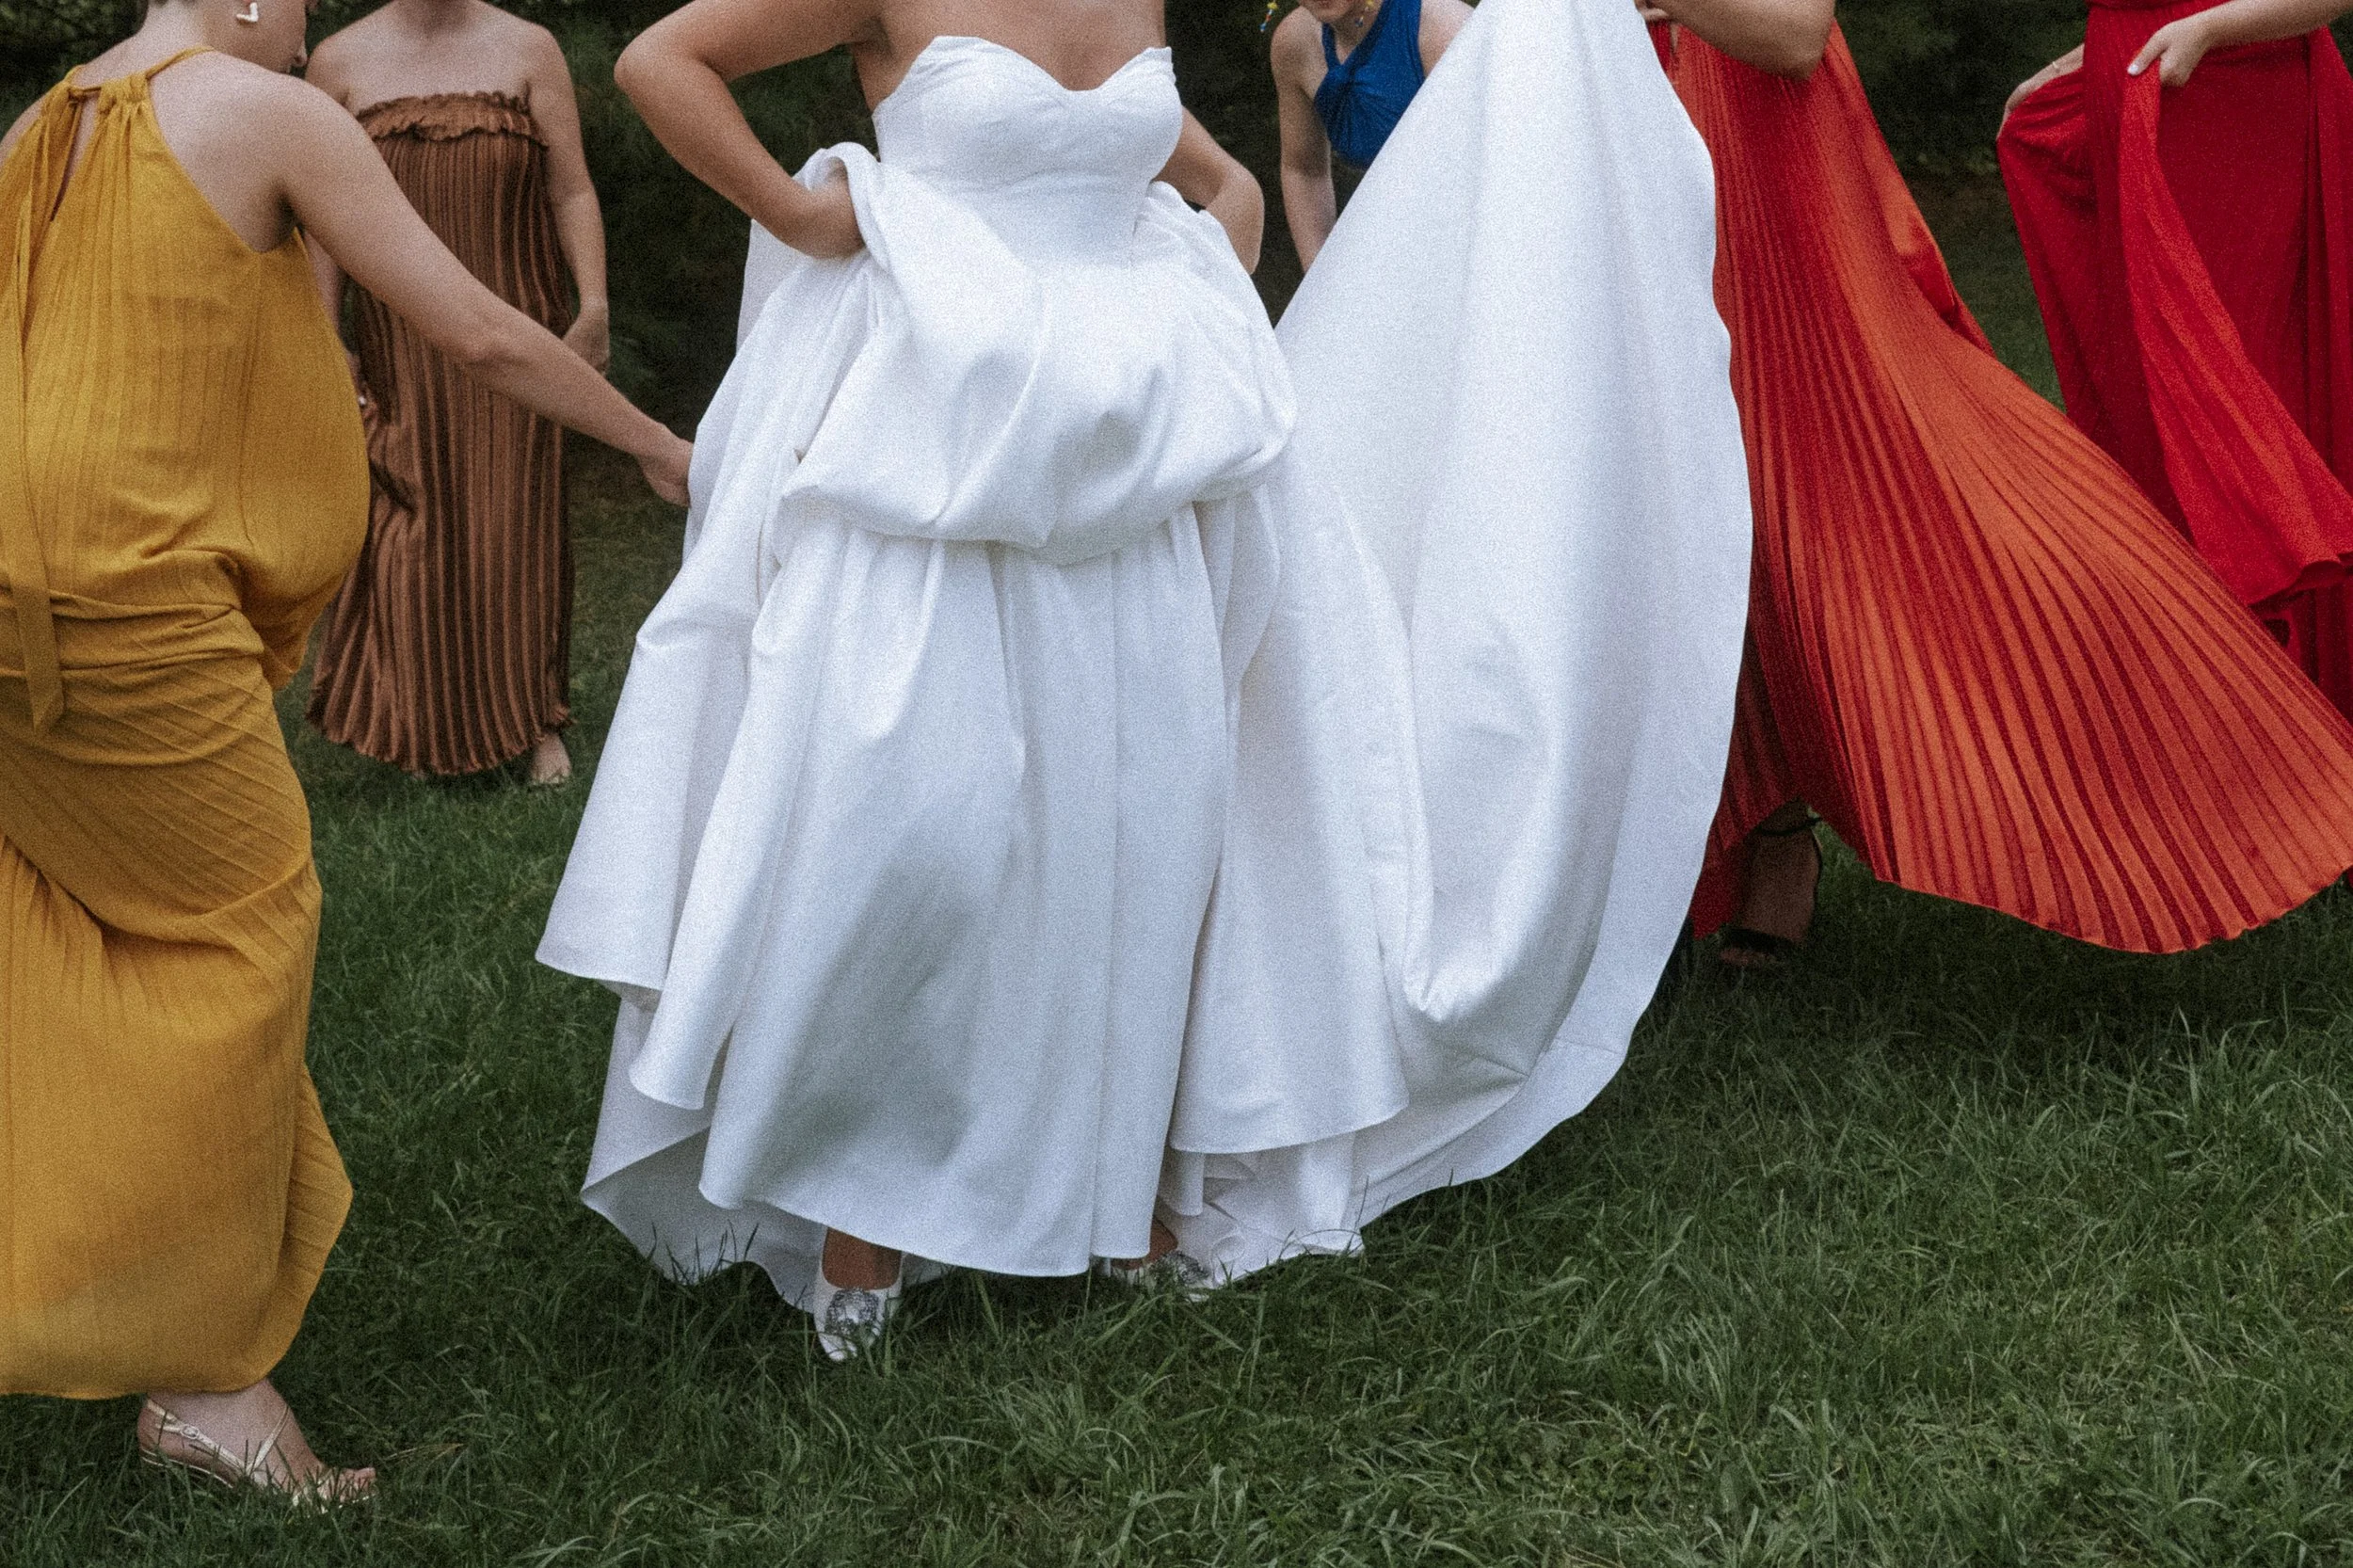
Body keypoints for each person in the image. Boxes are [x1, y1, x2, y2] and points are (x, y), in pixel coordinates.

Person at [540, 0, 1753, 1357]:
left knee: (1144, 812)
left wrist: (1197, 263)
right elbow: (662, 62)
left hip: (1135, 445)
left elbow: (1215, 178)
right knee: (914, 822)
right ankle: (857, 1214)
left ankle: (1120, 1193)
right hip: (946, 436)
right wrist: (809, 216)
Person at [0, 0, 686, 1501]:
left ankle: (91, 1257)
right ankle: (206, 1385)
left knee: (82, 919)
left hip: (18, 602)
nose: (312, 20)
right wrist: (658, 444)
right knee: (239, 933)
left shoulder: (45, 122)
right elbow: (477, 328)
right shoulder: (268, 111)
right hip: (125, 608)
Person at [1636, 0, 2353, 968]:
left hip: (1783, 154)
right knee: (1696, 494)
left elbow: (1795, 33)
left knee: (1846, 481)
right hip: (1647, 132)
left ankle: (2230, 738)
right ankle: (1728, 837)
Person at [2000, 1, 2353, 722]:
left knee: (2231, 389)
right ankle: (2201, 699)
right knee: (2151, 400)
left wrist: (2206, 30)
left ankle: (2281, 701)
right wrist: (2083, 60)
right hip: (2143, 78)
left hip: (2227, 92)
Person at [304, 0, 610, 786]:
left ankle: (533, 721)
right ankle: (424, 723)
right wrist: (327, 335)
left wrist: (594, 306)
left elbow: (571, 191)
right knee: (412, 521)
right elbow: (321, 225)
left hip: (521, 324)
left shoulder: (531, 48)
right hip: (400, 339)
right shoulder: (337, 62)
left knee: (517, 523)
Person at [1268, 0, 1469, 268]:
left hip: (1473, 236)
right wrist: (1320, 276)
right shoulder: (1296, 42)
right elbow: (1304, 170)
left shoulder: (1446, 28)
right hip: (1387, 243)